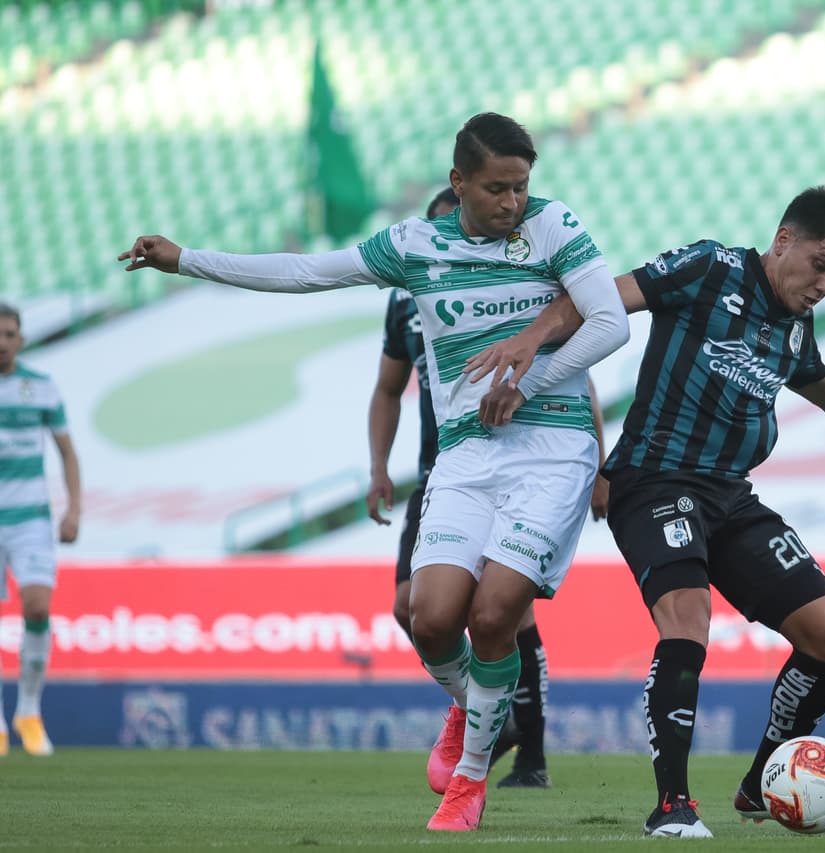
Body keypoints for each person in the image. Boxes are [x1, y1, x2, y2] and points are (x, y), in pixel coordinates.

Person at [119, 112, 629, 830]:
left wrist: (526, 377)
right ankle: (473, 706)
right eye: (495, 189)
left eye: (520, 187)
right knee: (429, 619)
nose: (512, 202)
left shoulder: (551, 225)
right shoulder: (413, 246)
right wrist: (188, 259)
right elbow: (304, 272)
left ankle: (470, 784)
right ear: (457, 184)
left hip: (553, 447)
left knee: (493, 617)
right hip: (466, 449)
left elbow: (611, 322)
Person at [466, 186, 825, 837]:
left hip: (731, 496)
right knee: (688, 619)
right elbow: (603, 299)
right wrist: (531, 339)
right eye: (821, 263)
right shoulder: (710, 270)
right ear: (784, 239)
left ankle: (764, 783)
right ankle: (672, 805)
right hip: (654, 481)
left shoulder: (795, 325)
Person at [365, 185, 610, 789]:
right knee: (416, 608)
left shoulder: (521, 281)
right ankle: (484, 713)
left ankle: (530, 756)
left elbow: (582, 371)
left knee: (504, 615)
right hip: (445, 467)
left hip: (528, 456)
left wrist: (600, 462)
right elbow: (388, 388)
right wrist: (377, 467)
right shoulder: (405, 305)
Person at [0, 303, 81, 758]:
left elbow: (68, 452)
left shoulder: (42, 388)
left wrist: (74, 509)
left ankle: (28, 711)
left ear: (22, 339)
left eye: (9, 334)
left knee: (36, 604)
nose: (2, 342)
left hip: (30, 517)